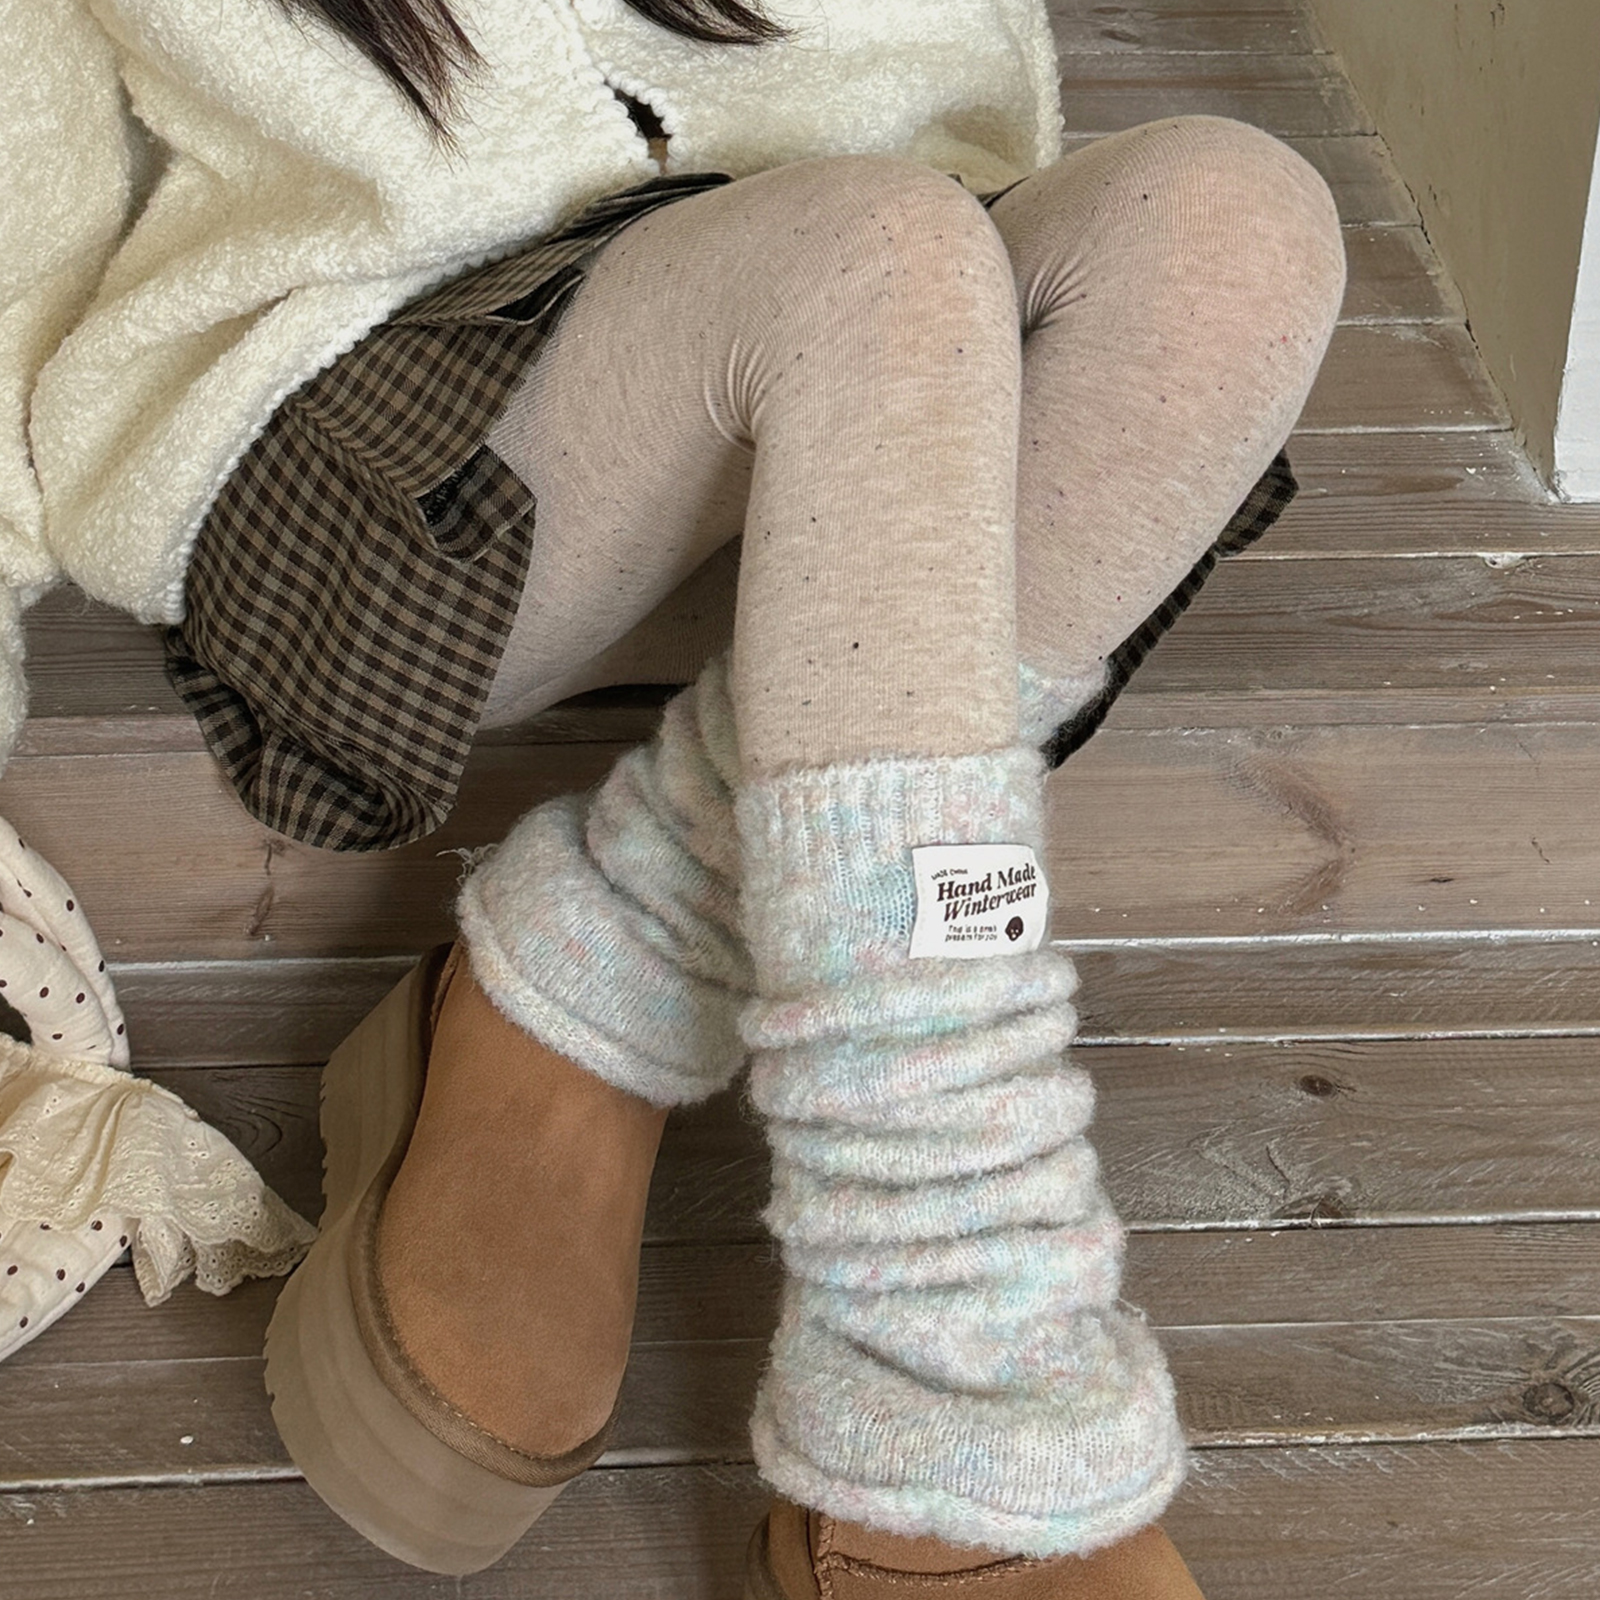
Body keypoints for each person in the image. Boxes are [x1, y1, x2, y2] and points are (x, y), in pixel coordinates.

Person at [5, 2, 1346, 1593]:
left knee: (1235, 225)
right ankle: (951, 1341)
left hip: (820, 339)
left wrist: (947, 387)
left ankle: (616, 939)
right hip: (389, 451)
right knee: (878, 254)